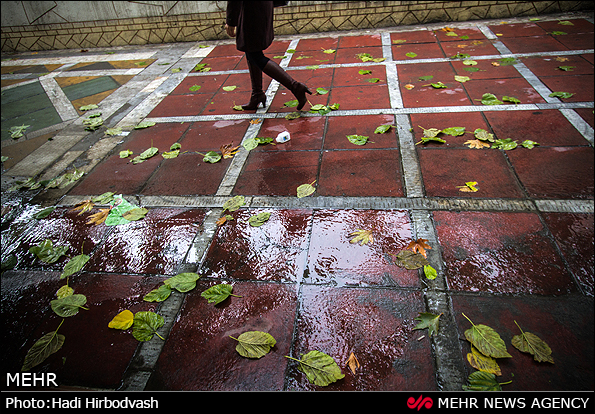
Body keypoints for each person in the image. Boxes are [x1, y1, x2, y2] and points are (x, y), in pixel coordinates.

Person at [225, 1, 312, 110]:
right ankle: (257, 94)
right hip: (262, 6)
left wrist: (231, 20)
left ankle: (295, 87)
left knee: (254, 54)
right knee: (251, 49)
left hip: (251, 9)